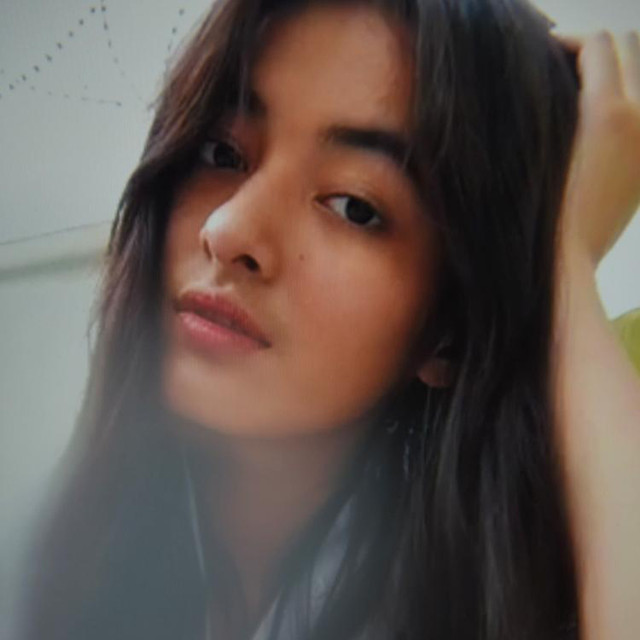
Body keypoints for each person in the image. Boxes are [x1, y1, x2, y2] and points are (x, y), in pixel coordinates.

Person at [18, 0, 640, 639]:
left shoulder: (502, 610)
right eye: (222, 153)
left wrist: (565, 266)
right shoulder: (48, 563)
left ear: (451, 331)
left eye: (353, 207)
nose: (227, 230)